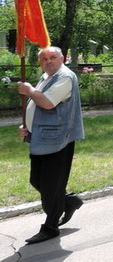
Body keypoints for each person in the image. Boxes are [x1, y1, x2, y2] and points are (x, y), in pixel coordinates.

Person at [17, 46, 85, 244]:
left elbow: (47, 103)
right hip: (41, 137)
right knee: (37, 180)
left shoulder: (65, 76)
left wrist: (29, 90)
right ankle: (67, 202)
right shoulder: (46, 77)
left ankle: (51, 226)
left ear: (62, 58)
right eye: (44, 58)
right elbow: (37, 106)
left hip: (58, 140)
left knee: (50, 184)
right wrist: (28, 126)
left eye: (53, 57)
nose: (48, 61)